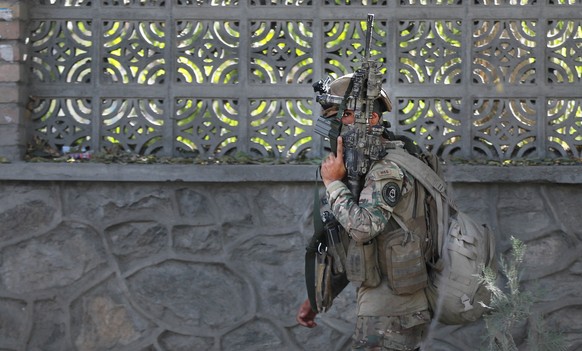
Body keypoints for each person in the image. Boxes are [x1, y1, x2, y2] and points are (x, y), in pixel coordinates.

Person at [296, 74, 432, 351]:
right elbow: (352, 242)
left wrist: (333, 183)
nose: (332, 124)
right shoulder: (362, 168)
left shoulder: (386, 170)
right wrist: (320, 294)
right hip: (385, 305)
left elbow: (363, 228)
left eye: (341, 115)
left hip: (393, 310)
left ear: (370, 119)